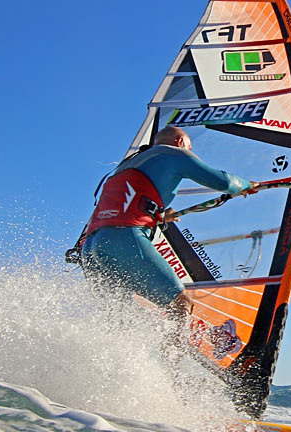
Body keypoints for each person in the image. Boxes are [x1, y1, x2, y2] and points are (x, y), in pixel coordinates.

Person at [79, 126, 255, 325]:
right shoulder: (173, 153)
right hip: (124, 240)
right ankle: (171, 357)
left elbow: (125, 204)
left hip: (91, 248)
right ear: (180, 142)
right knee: (181, 305)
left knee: (120, 319)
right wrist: (247, 184)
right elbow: (224, 182)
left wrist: (159, 215)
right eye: (189, 149)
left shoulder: (128, 165)